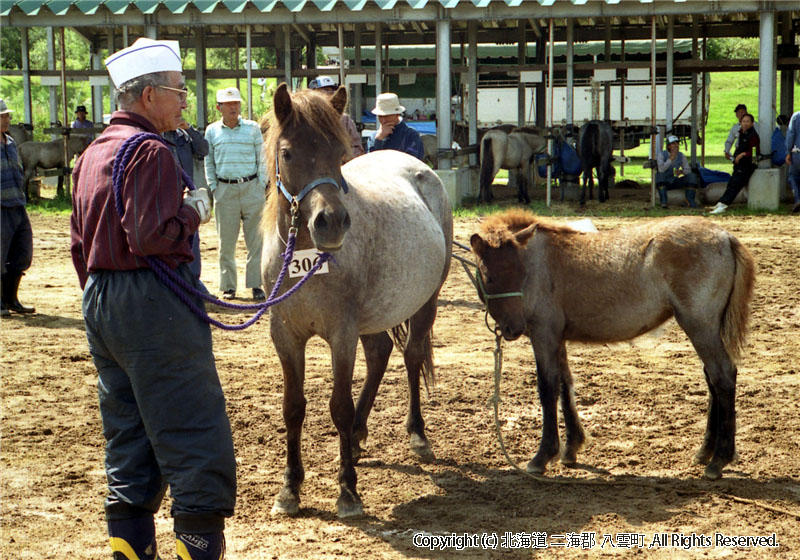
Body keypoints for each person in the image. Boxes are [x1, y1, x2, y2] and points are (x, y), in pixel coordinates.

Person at [70, 38, 235, 560]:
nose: (185, 100)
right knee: (192, 432)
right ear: (147, 97)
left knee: (129, 439)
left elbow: (79, 245)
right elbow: (151, 236)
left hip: (102, 301)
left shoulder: (93, 152)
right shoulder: (149, 151)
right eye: (179, 90)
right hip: (154, 302)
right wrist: (194, 212)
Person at [204, 86, 267, 301]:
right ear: (218, 107)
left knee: (256, 241)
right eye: (228, 104)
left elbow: (263, 159)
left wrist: (261, 185)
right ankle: (228, 286)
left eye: (236, 103)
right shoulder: (212, 131)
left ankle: (256, 284)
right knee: (226, 243)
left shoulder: (253, 128)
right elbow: (208, 161)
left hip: (252, 189)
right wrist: (215, 187)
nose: (233, 107)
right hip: (225, 190)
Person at [163, 120, 211, 283]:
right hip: (167, 197)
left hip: (187, 194)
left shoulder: (183, 137)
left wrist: (189, 129)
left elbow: (203, 149)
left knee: (193, 237)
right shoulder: (156, 138)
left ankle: (194, 281)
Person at [1, 98, 35, 317]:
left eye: (7, 115)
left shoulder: (11, 143)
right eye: (3, 116)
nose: (7, 119)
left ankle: (12, 299)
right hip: (0, 206)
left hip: (17, 204)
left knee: (22, 253)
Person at [709, 113, 760, 215]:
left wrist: (742, 154)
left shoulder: (753, 136)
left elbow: (754, 152)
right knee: (731, 183)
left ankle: (724, 205)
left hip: (746, 165)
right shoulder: (741, 133)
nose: (745, 124)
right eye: (743, 122)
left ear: (752, 123)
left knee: (735, 185)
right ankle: (721, 202)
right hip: (739, 165)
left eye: (747, 121)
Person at [309, 75, 365, 161]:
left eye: (332, 91)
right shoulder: (305, 119)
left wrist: (345, 157)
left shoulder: (344, 119)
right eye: (325, 90)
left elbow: (357, 148)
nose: (329, 94)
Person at [366, 92, 424, 161]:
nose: (383, 120)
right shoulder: (374, 137)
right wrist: (378, 140)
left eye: (386, 116)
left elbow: (412, 162)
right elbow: (370, 163)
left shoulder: (411, 136)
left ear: (397, 114)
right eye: (380, 116)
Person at [655, 134, 700, 208]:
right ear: (668, 146)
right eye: (673, 144)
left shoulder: (681, 155)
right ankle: (663, 202)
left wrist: (682, 172)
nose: (676, 146)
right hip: (665, 180)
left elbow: (688, 170)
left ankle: (690, 201)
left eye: (677, 143)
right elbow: (661, 169)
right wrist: (671, 159)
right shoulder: (662, 154)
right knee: (659, 175)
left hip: (674, 180)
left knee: (692, 176)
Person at [785, 109, 800, 214]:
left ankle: (798, 199)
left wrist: (788, 152)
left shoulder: (796, 116)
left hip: (797, 152)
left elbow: (790, 135)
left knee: (793, 177)